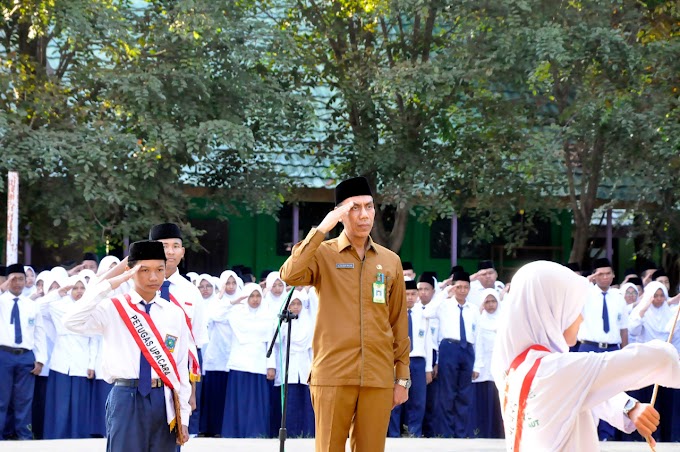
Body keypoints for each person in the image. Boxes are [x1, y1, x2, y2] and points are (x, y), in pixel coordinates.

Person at [279, 176, 410, 452]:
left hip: (377, 376)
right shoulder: (323, 254)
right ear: (340, 213)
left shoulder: (390, 261)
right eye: (354, 208)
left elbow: (398, 323)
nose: (364, 215)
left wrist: (402, 378)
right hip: (333, 374)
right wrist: (323, 228)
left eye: (369, 207)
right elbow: (290, 275)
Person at [492, 261, 680, 451]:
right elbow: (655, 359)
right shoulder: (555, 371)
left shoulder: (511, 364)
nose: (581, 318)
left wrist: (629, 406)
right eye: (574, 308)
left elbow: (580, 389)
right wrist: (667, 354)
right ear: (550, 310)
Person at [63, 240, 191, 450]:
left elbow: (180, 368)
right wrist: (109, 285)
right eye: (145, 270)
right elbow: (71, 321)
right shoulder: (113, 307)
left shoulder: (174, 313)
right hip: (125, 397)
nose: (153, 277)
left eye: (159, 270)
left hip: (164, 399)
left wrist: (183, 416)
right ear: (130, 271)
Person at [422, 270, 479, 438]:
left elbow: (479, 336)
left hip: (467, 349)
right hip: (449, 348)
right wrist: (444, 292)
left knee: (464, 393)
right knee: (447, 392)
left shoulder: (474, 309)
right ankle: (446, 433)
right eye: (458, 287)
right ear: (454, 287)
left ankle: (461, 432)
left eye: (465, 287)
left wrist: (477, 364)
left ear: (469, 289)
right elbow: (427, 312)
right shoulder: (444, 305)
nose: (462, 290)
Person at [42, 275, 96, 439]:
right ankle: (56, 438)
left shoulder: (91, 307)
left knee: (78, 405)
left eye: (82, 288)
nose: (79, 291)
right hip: (61, 361)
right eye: (75, 288)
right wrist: (59, 291)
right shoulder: (58, 306)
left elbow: (95, 339)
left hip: (82, 362)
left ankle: (77, 439)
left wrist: (92, 364)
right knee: (60, 405)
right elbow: (39, 306)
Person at [221, 283, 275, 438]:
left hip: (259, 363)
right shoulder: (236, 314)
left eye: (258, 296)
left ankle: (256, 433)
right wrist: (234, 301)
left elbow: (271, 344)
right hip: (239, 362)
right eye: (251, 296)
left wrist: (271, 366)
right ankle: (235, 433)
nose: (255, 299)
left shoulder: (268, 316)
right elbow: (215, 314)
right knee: (239, 402)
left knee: (256, 403)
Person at [0, 264, 47, 440]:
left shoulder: (31, 305)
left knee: (24, 400)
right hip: (3, 355)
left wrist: (40, 359)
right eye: (13, 279)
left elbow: (39, 332)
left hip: (25, 356)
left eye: (21, 278)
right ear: (6, 280)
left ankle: (24, 437)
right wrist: (3, 288)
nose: (18, 283)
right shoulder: (2, 301)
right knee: (2, 399)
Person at [388, 279, 432, 438]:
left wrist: (428, 369)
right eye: (406, 294)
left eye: (413, 294)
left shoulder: (424, 313)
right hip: (398, 360)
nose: (410, 297)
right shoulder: (393, 313)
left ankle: (415, 432)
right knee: (395, 398)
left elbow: (428, 341)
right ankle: (393, 433)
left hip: (418, 360)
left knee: (418, 399)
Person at [200, 270, 242, 437]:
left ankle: (225, 429)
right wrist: (224, 297)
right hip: (216, 355)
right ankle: (210, 428)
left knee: (228, 395)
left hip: (235, 354)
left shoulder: (244, 301)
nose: (231, 287)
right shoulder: (216, 302)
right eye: (227, 283)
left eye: (233, 283)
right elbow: (213, 316)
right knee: (213, 394)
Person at [272, 289, 315, 438]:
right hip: (288, 363)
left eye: (298, 304)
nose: (296, 307)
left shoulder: (308, 322)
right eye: (293, 304)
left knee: (305, 402)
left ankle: (307, 433)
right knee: (289, 403)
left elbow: (311, 347)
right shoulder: (282, 322)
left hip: (304, 364)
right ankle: (289, 434)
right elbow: (276, 346)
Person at [469, 289, 503, 439]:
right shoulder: (479, 321)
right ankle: (482, 432)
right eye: (487, 302)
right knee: (484, 401)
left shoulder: (505, 321)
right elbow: (477, 345)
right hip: (483, 368)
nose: (490, 305)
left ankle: (499, 433)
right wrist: (477, 365)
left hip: (500, 368)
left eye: (493, 301)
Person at [417, 270, 440, 438]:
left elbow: (439, 338)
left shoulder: (439, 309)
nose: (423, 293)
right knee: (416, 397)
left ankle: (430, 431)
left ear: (433, 291)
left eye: (426, 289)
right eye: (420, 289)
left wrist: (436, 362)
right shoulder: (415, 309)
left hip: (435, 355)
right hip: (419, 355)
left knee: (432, 399)